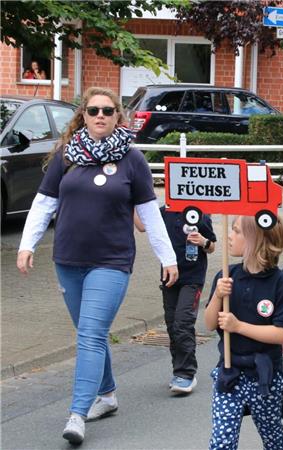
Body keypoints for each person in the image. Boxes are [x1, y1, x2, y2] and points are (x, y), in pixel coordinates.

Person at [16, 87, 178, 445]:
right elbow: (44, 203)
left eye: (108, 110)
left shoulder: (132, 159)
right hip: (68, 260)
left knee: (89, 334)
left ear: (118, 116)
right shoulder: (67, 155)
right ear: (84, 116)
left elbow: (150, 214)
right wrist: (27, 245)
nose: (100, 115)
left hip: (112, 261)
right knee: (91, 332)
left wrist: (168, 257)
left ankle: (77, 413)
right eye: (93, 110)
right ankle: (107, 395)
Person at [204, 215, 283, 450]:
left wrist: (238, 326)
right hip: (229, 372)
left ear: (256, 239)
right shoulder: (226, 275)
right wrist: (217, 296)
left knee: (272, 437)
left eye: (236, 231)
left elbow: (281, 334)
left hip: (264, 376)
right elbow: (209, 323)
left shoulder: (281, 283)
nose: (229, 236)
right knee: (222, 441)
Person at [158, 205, 216, 394]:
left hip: (192, 278)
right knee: (172, 324)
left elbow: (212, 246)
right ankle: (178, 371)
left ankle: (186, 373)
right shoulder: (163, 212)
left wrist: (203, 241)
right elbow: (144, 226)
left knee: (183, 323)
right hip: (169, 276)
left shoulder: (199, 212)